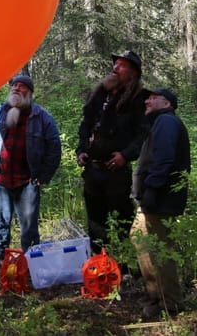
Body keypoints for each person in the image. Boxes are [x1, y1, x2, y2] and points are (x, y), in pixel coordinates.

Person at [0, 74, 62, 265]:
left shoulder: (42, 117)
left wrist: (44, 175)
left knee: (29, 226)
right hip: (1, 180)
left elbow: (54, 147)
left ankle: (32, 262)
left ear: (30, 93)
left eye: (22, 86)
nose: (16, 88)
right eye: (14, 86)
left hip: (28, 182)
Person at [76, 50, 149, 254]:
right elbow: (86, 125)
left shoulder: (139, 99)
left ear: (133, 73)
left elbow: (142, 134)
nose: (115, 68)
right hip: (93, 170)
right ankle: (99, 261)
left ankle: (124, 264)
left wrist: (125, 155)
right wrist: (81, 149)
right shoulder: (100, 94)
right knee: (95, 218)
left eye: (122, 65)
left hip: (116, 172)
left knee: (121, 218)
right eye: (115, 64)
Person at [131, 88, 191, 318]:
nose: (147, 100)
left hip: (161, 198)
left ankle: (171, 303)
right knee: (140, 239)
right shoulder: (157, 123)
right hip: (150, 198)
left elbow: (164, 158)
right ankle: (155, 294)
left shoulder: (167, 122)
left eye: (152, 98)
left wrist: (153, 189)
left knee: (160, 249)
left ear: (166, 104)